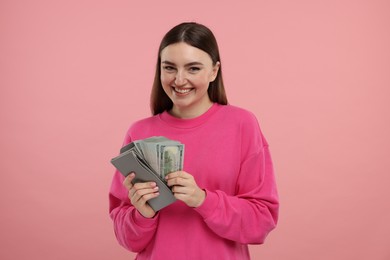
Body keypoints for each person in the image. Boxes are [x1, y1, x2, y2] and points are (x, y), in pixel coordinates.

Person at [109, 22, 279, 260]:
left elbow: (262, 221)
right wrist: (142, 215)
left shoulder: (242, 125)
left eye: (193, 68)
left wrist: (203, 200)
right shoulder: (139, 132)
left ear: (214, 71)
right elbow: (126, 238)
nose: (179, 80)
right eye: (169, 67)